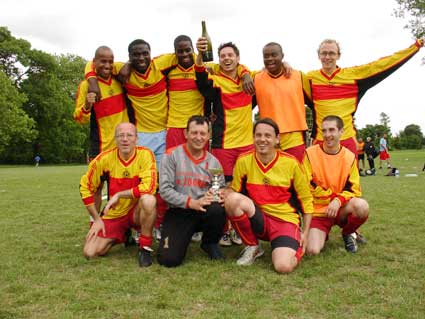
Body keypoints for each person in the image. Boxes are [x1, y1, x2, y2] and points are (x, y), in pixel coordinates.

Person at [306, 38, 424, 155]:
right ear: (318, 55)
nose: (327, 57)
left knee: (349, 174)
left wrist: (415, 46)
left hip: (346, 142)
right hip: (321, 143)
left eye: (331, 53)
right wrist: (286, 65)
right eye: (324, 53)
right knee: (317, 175)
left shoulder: (354, 75)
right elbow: (290, 82)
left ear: (338, 55)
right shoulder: (309, 79)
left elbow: (382, 64)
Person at [224, 118, 313, 273]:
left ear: (277, 139)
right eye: (258, 135)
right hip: (259, 219)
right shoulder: (244, 160)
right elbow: (235, 192)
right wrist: (223, 192)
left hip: (284, 221)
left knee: (283, 267)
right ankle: (253, 246)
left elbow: (306, 201)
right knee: (232, 200)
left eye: (267, 135)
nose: (262, 139)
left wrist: (305, 233)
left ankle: (295, 244)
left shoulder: (291, 163)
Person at [195, 38, 254, 247]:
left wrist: (246, 72)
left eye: (231, 55)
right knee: (221, 189)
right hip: (223, 145)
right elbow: (201, 80)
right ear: (218, 60)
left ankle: (241, 229)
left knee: (244, 189)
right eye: (223, 56)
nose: (227, 59)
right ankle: (225, 231)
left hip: (247, 145)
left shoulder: (250, 80)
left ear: (238, 58)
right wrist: (200, 54)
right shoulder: (216, 80)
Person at [79, 123, 157, 267]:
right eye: (121, 135)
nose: (125, 139)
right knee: (90, 252)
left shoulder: (145, 154)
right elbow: (85, 186)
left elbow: (149, 187)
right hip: (115, 213)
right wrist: (96, 219)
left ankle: (144, 247)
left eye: (129, 135)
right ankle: (123, 235)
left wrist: (120, 194)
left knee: (149, 200)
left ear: (136, 139)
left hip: (135, 211)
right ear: (115, 139)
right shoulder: (104, 159)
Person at [157, 116, 226, 267]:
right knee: (168, 260)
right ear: (185, 133)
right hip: (179, 210)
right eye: (194, 133)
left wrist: (218, 194)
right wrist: (191, 202)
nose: (198, 137)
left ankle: (210, 243)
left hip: (203, 210)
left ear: (208, 136)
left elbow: (219, 188)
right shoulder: (171, 156)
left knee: (217, 209)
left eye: (203, 133)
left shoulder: (213, 162)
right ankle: (180, 238)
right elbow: (165, 190)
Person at [303, 115, 369, 255]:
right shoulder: (309, 154)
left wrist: (338, 201)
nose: (327, 135)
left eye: (331, 130)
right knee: (312, 250)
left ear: (341, 132)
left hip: (340, 208)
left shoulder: (349, 157)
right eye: (324, 131)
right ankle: (320, 233)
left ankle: (348, 233)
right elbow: (307, 185)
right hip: (318, 210)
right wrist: (332, 199)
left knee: (362, 206)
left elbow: (353, 189)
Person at [75, 46, 129, 212]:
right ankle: (94, 223)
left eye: (110, 61)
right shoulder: (86, 86)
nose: (107, 65)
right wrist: (87, 104)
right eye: (103, 61)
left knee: (120, 188)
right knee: (96, 188)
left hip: (122, 147)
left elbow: (131, 62)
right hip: (99, 146)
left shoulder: (118, 78)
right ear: (95, 62)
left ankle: (118, 224)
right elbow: (79, 119)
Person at [254, 42, 310, 163]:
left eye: (274, 55)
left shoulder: (299, 76)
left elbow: (314, 103)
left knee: (297, 177)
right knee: (272, 178)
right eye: (266, 56)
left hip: (294, 137)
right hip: (268, 137)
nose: (270, 59)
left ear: (282, 56)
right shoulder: (256, 78)